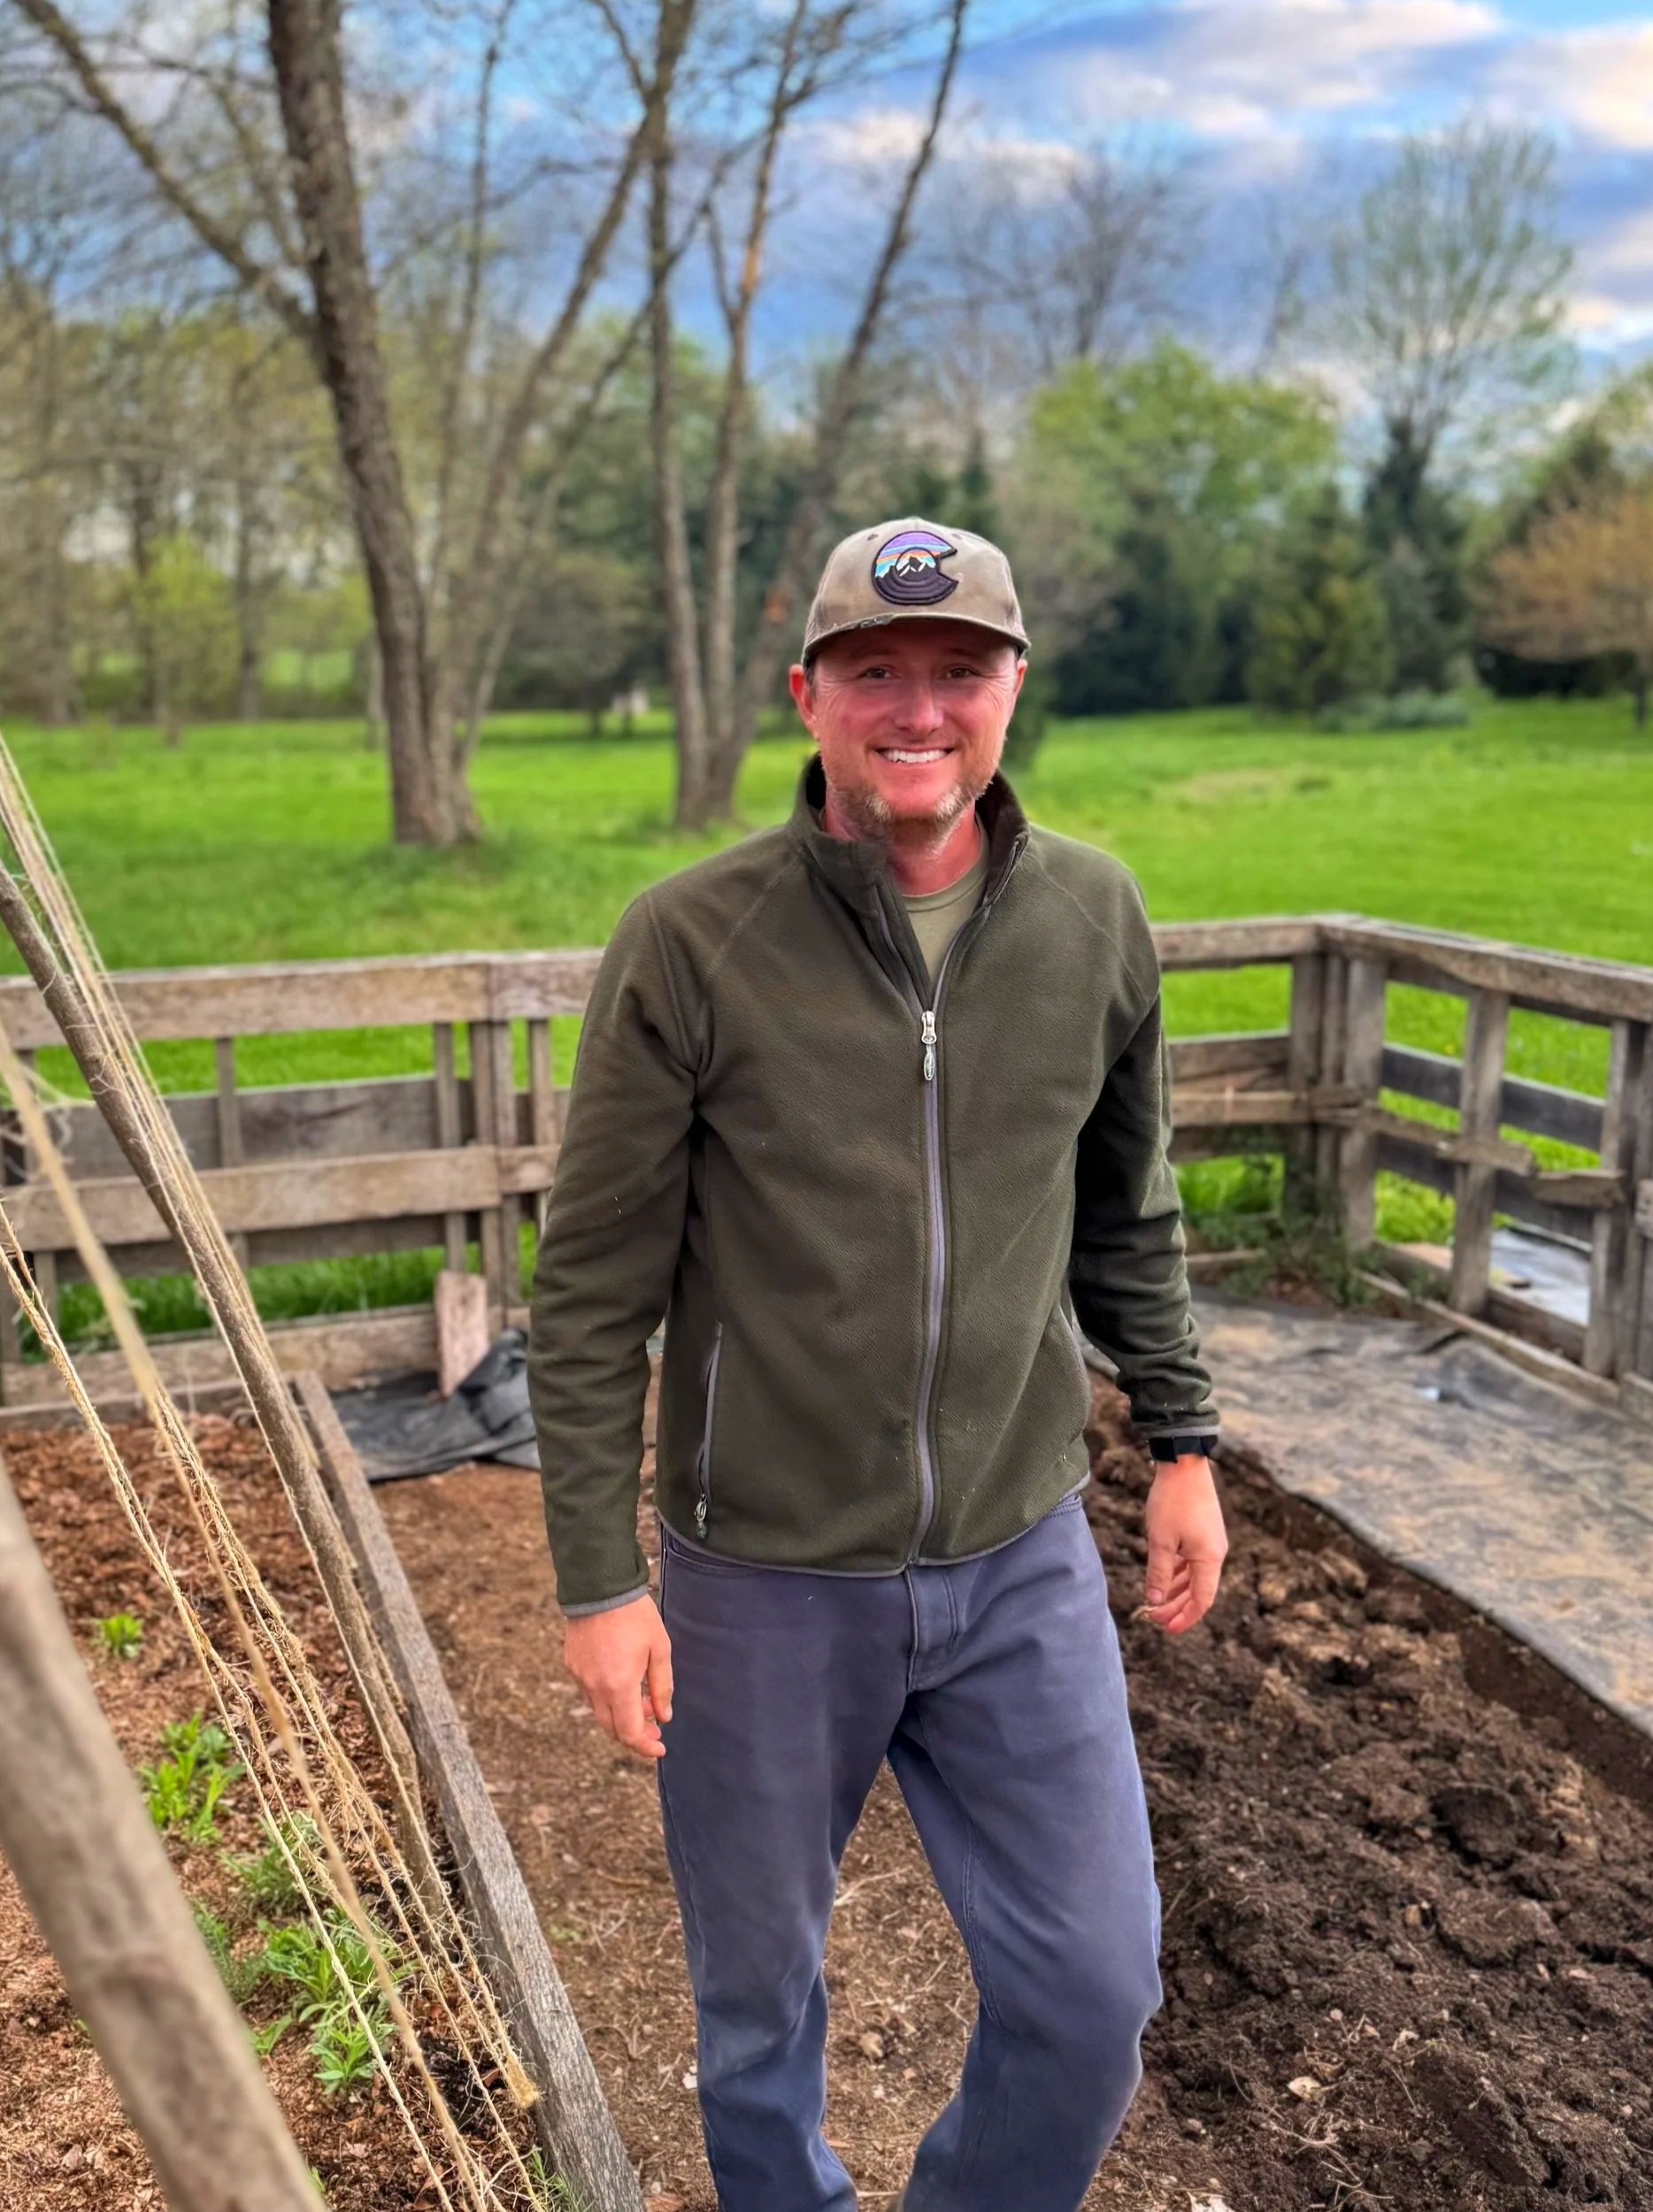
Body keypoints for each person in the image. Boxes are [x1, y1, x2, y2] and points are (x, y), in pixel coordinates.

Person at [527, 518, 1228, 2212]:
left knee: (1091, 1996)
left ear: (1012, 693)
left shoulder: (1092, 919)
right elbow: (592, 1289)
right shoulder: (694, 944)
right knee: (756, 2006)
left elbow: (1123, 1209)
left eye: (958, 672)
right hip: (764, 1580)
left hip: (1017, 1558)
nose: (919, 709)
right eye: (875, 674)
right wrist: (597, 1579)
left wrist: (1187, 1440)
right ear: (810, 697)